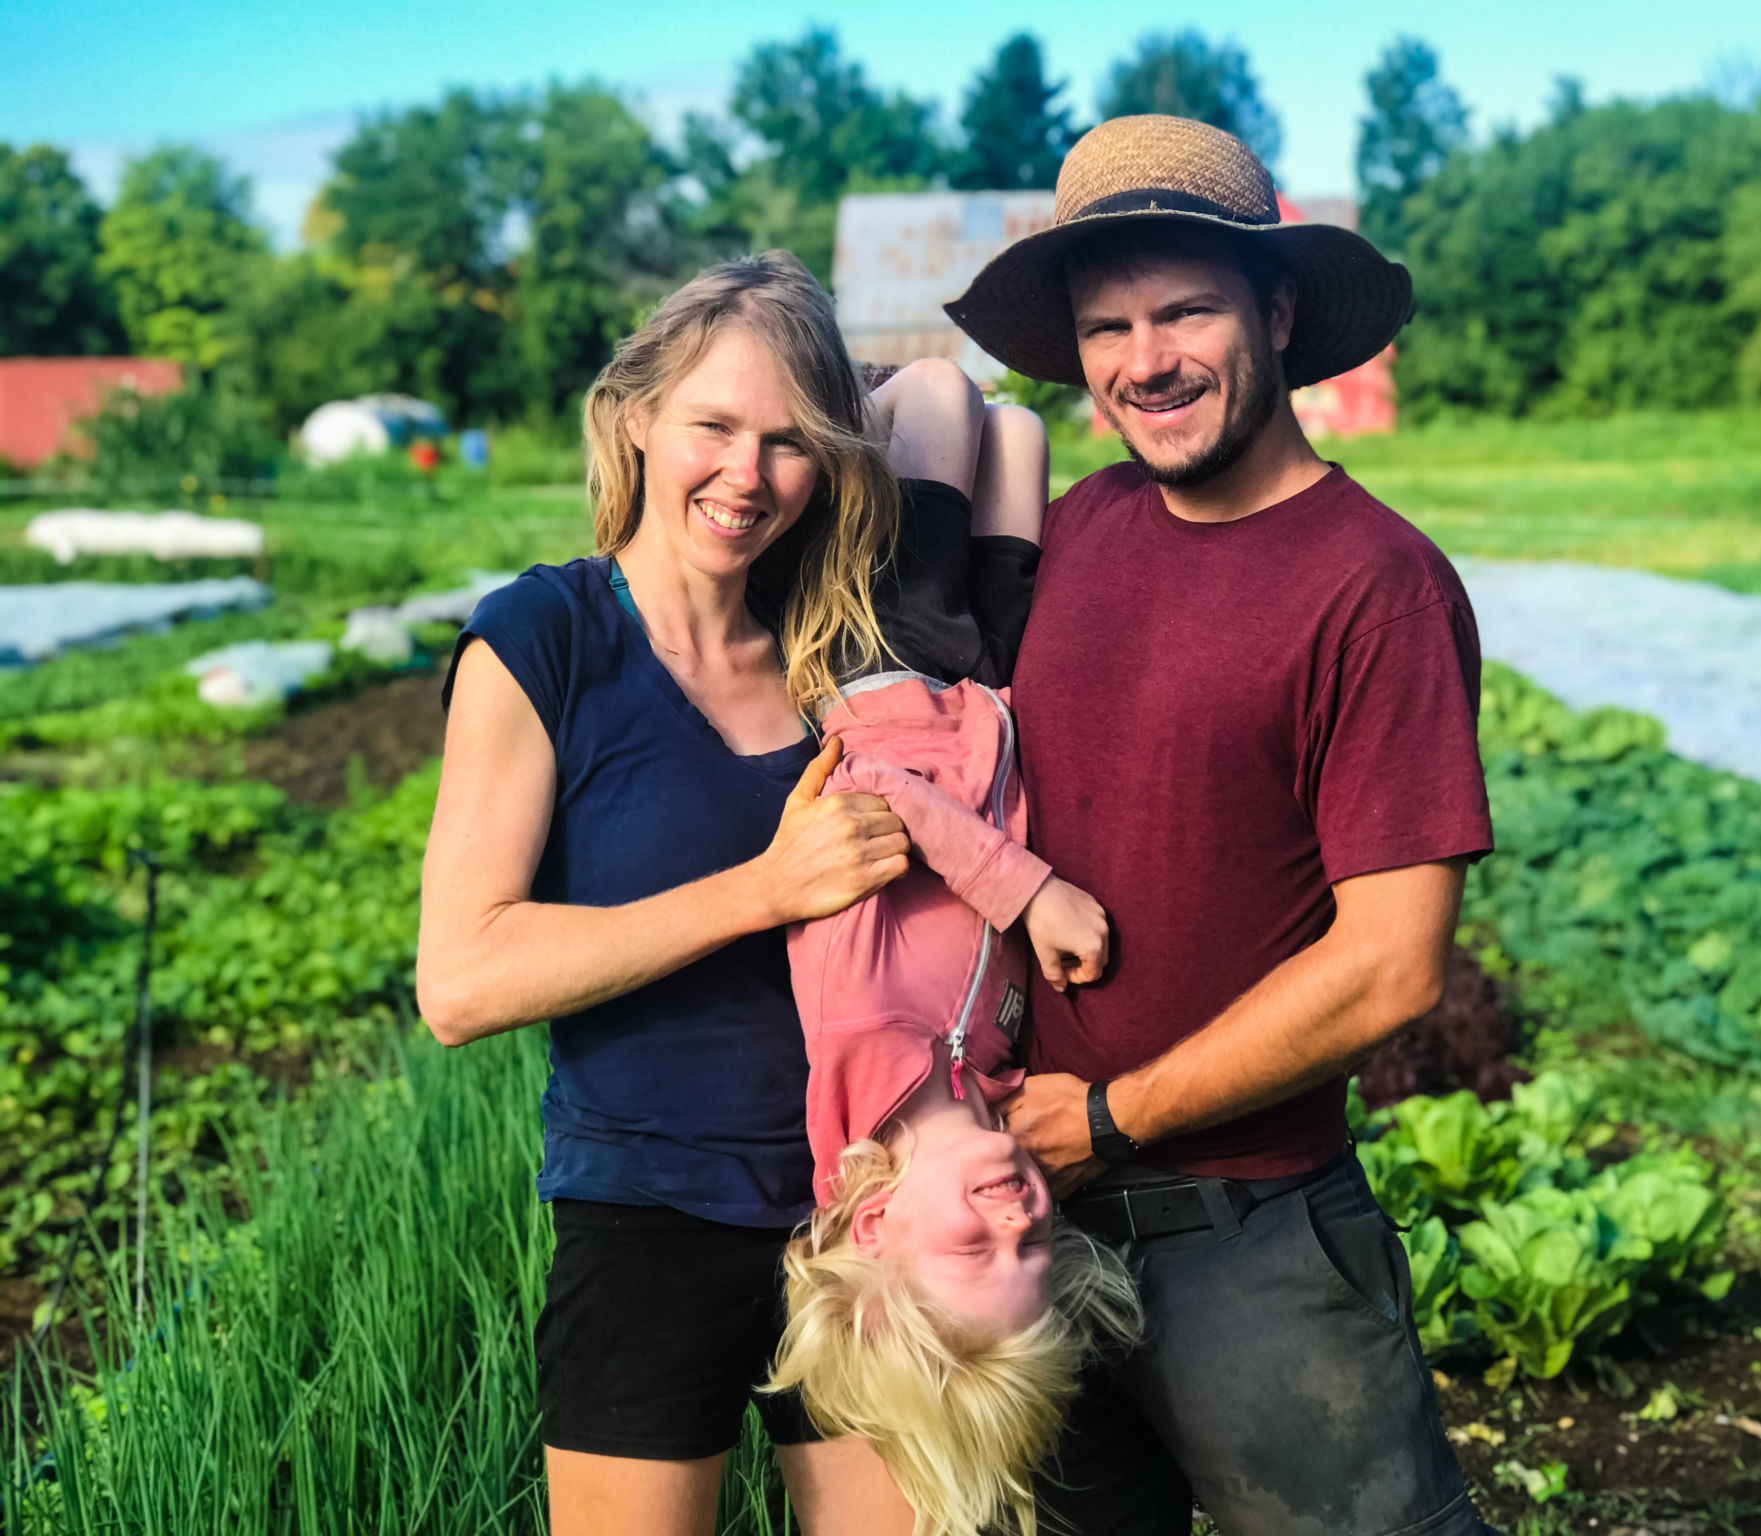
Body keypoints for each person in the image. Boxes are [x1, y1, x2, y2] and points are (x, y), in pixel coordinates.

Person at [944, 115, 1503, 1535]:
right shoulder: (1075, 534)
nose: (1149, 360)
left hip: (1251, 1235)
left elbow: (1392, 964)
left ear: (1280, 307)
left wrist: (1115, 1119)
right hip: (1029, 1220)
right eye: (1107, 326)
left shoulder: (1375, 588)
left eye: (1186, 308)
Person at [416, 252, 919, 1536]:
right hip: (647, 1218)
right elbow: (462, 980)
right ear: (635, 417)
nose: (746, 476)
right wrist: (762, 888)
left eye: (790, 442)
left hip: (859, 1213)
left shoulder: (838, 658)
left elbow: (974, 415)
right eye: (713, 425)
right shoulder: (547, 641)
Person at [766, 359, 1141, 1536]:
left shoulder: (857, 1050)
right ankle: (869, 425)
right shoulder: (993, 1085)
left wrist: (1024, 891)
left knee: (935, 388)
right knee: (1019, 433)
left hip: (881, 679)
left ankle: (850, 415)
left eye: (976, 1249)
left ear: (870, 1227)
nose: (1021, 1219)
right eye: (1036, 1248)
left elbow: (862, 794)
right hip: (982, 699)